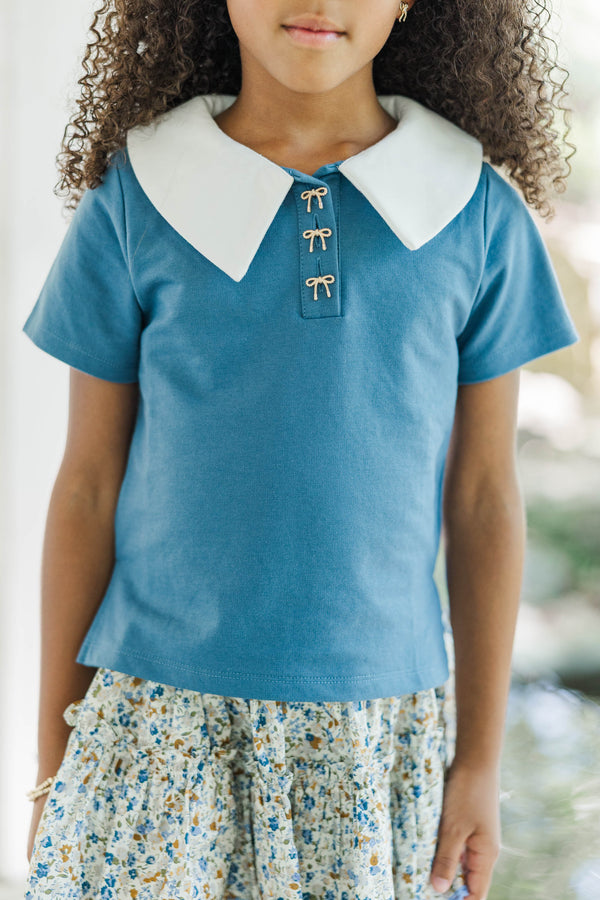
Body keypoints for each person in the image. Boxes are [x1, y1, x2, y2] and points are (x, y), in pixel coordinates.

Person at [22, 0, 580, 898]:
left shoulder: (474, 212)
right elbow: (88, 485)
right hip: (154, 724)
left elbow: (482, 497)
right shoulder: (139, 196)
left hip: (374, 737)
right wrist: (55, 763)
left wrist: (477, 763)